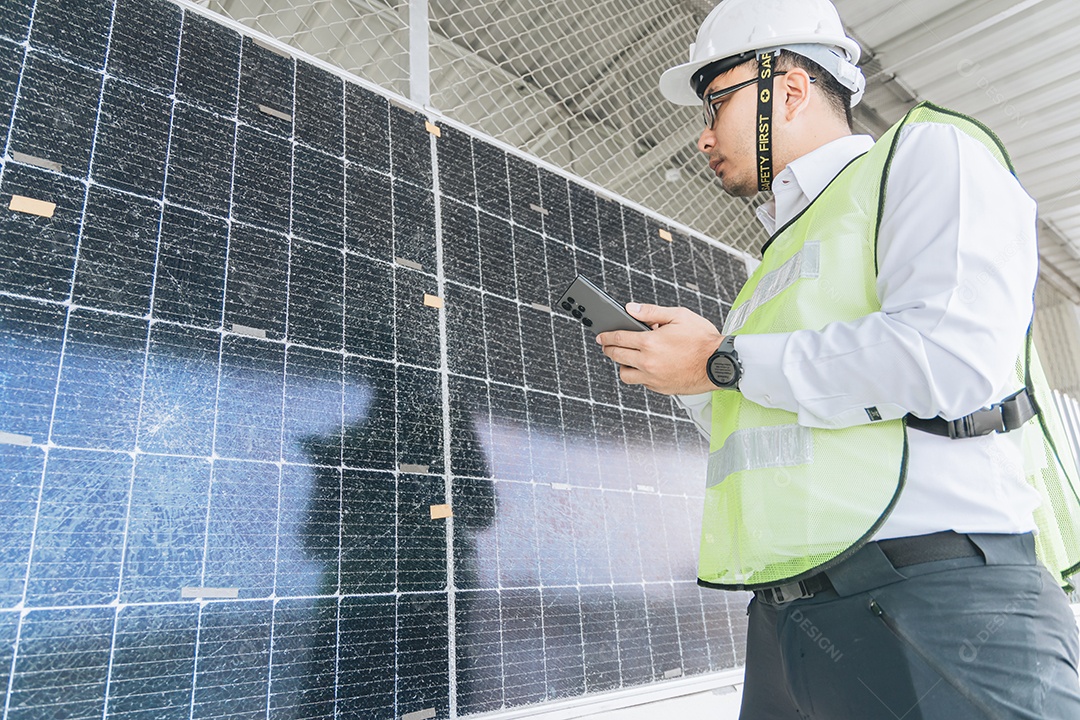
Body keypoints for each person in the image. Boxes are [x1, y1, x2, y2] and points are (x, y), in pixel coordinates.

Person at [594, 0, 1080, 717]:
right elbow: (790, 422)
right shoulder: (779, 257)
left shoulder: (927, 156)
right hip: (791, 621)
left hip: (934, 600)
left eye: (715, 102)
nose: (701, 137)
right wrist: (695, 375)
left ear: (787, 88)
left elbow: (947, 356)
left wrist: (721, 363)